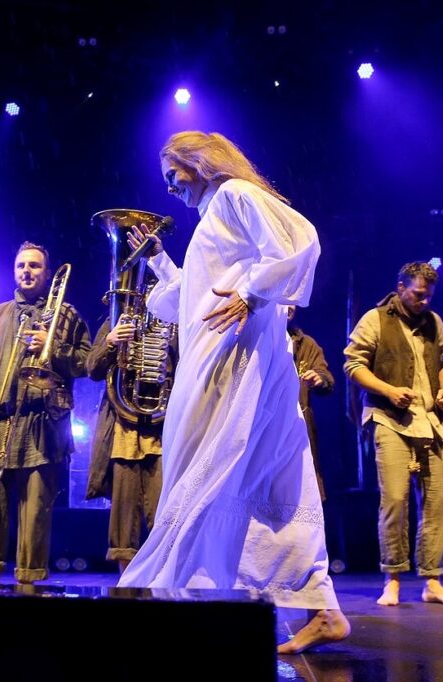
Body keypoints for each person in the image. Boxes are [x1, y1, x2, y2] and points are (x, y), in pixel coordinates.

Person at [117, 131, 350, 654]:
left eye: (173, 174)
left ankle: (195, 596)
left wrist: (251, 294)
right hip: (221, 358)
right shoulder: (213, 216)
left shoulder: (234, 195)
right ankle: (319, 607)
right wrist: (159, 261)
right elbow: (192, 297)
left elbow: (302, 240)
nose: (170, 188)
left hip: (236, 361)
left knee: (216, 469)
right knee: (256, 479)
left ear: (200, 163)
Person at [0, 242, 90, 584]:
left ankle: (28, 590)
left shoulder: (67, 315)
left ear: (47, 274)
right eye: (21, 266)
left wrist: (53, 346)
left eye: (34, 266)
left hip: (43, 425)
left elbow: (86, 363)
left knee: (35, 515)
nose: (27, 271)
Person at [344, 262, 443, 607]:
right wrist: (389, 390)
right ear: (400, 287)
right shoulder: (376, 319)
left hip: (432, 422)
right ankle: (393, 578)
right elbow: (353, 364)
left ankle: (432, 581)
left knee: (437, 503)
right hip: (390, 418)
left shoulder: (434, 321)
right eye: (418, 294)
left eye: (429, 296)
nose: (424, 301)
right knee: (395, 499)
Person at [85, 313, 177, 574]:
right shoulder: (118, 316)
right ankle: (126, 587)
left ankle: (161, 585)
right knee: (123, 524)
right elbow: (92, 368)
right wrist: (111, 341)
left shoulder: (176, 317)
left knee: (164, 516)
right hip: (125, 430)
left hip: (162, 430)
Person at [287, 306, 334, 502]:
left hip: (298, 429)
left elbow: (325, 377)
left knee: (300, 494)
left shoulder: (305, 344)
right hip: (264, 426)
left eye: (293, 302)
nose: (290, 307)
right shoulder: (259, 337)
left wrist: (319, 379)